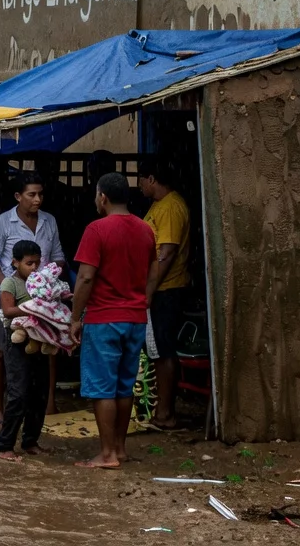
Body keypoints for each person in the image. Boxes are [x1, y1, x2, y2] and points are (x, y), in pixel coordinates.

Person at [70, 172, 157, 469]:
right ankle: (119, 449)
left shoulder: (96, 230)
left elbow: (85, 277)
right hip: (135, 318)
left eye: (96, 195)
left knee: (102, 387)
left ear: (102, 197)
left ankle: (106, 454)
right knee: (123, 386)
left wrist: (74, 318)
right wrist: (142, 299)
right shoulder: (146, 230)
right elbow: (154, 271)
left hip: (104, 318)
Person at [0, 171, 65, 424]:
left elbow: (59, 256)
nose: (37, 199)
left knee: (48, 347)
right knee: (1, 349)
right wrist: (10, 287)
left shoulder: (49, 222)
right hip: (5, 297)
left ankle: (49, 403)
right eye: (31, 194)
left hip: (43, 300)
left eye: (40, 194)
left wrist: (47, 277)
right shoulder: (2, 223)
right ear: (18, 196)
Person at [138, 158, 191, 429]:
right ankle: (162, 409)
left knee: (162, 350)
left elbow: (165, 253)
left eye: (140, 179)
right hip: (161, 287)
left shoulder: (170, 207)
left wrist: (148, 290)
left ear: (151, 179)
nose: (138, 185)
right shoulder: (160, 206)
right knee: (159, 348)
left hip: (166, 288)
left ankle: (165, 413)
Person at [0, 240, 50, 461]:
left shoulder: (44, 283)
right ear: (15, 262)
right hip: (17, 342)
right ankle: (5, 445)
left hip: (41, 340)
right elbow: (8, 310)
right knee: (18, 393)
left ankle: (30, 441)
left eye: (37, 263)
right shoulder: (10, 283)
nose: (34, 268)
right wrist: (35, 308)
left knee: (40, 392)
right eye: (29, 263)